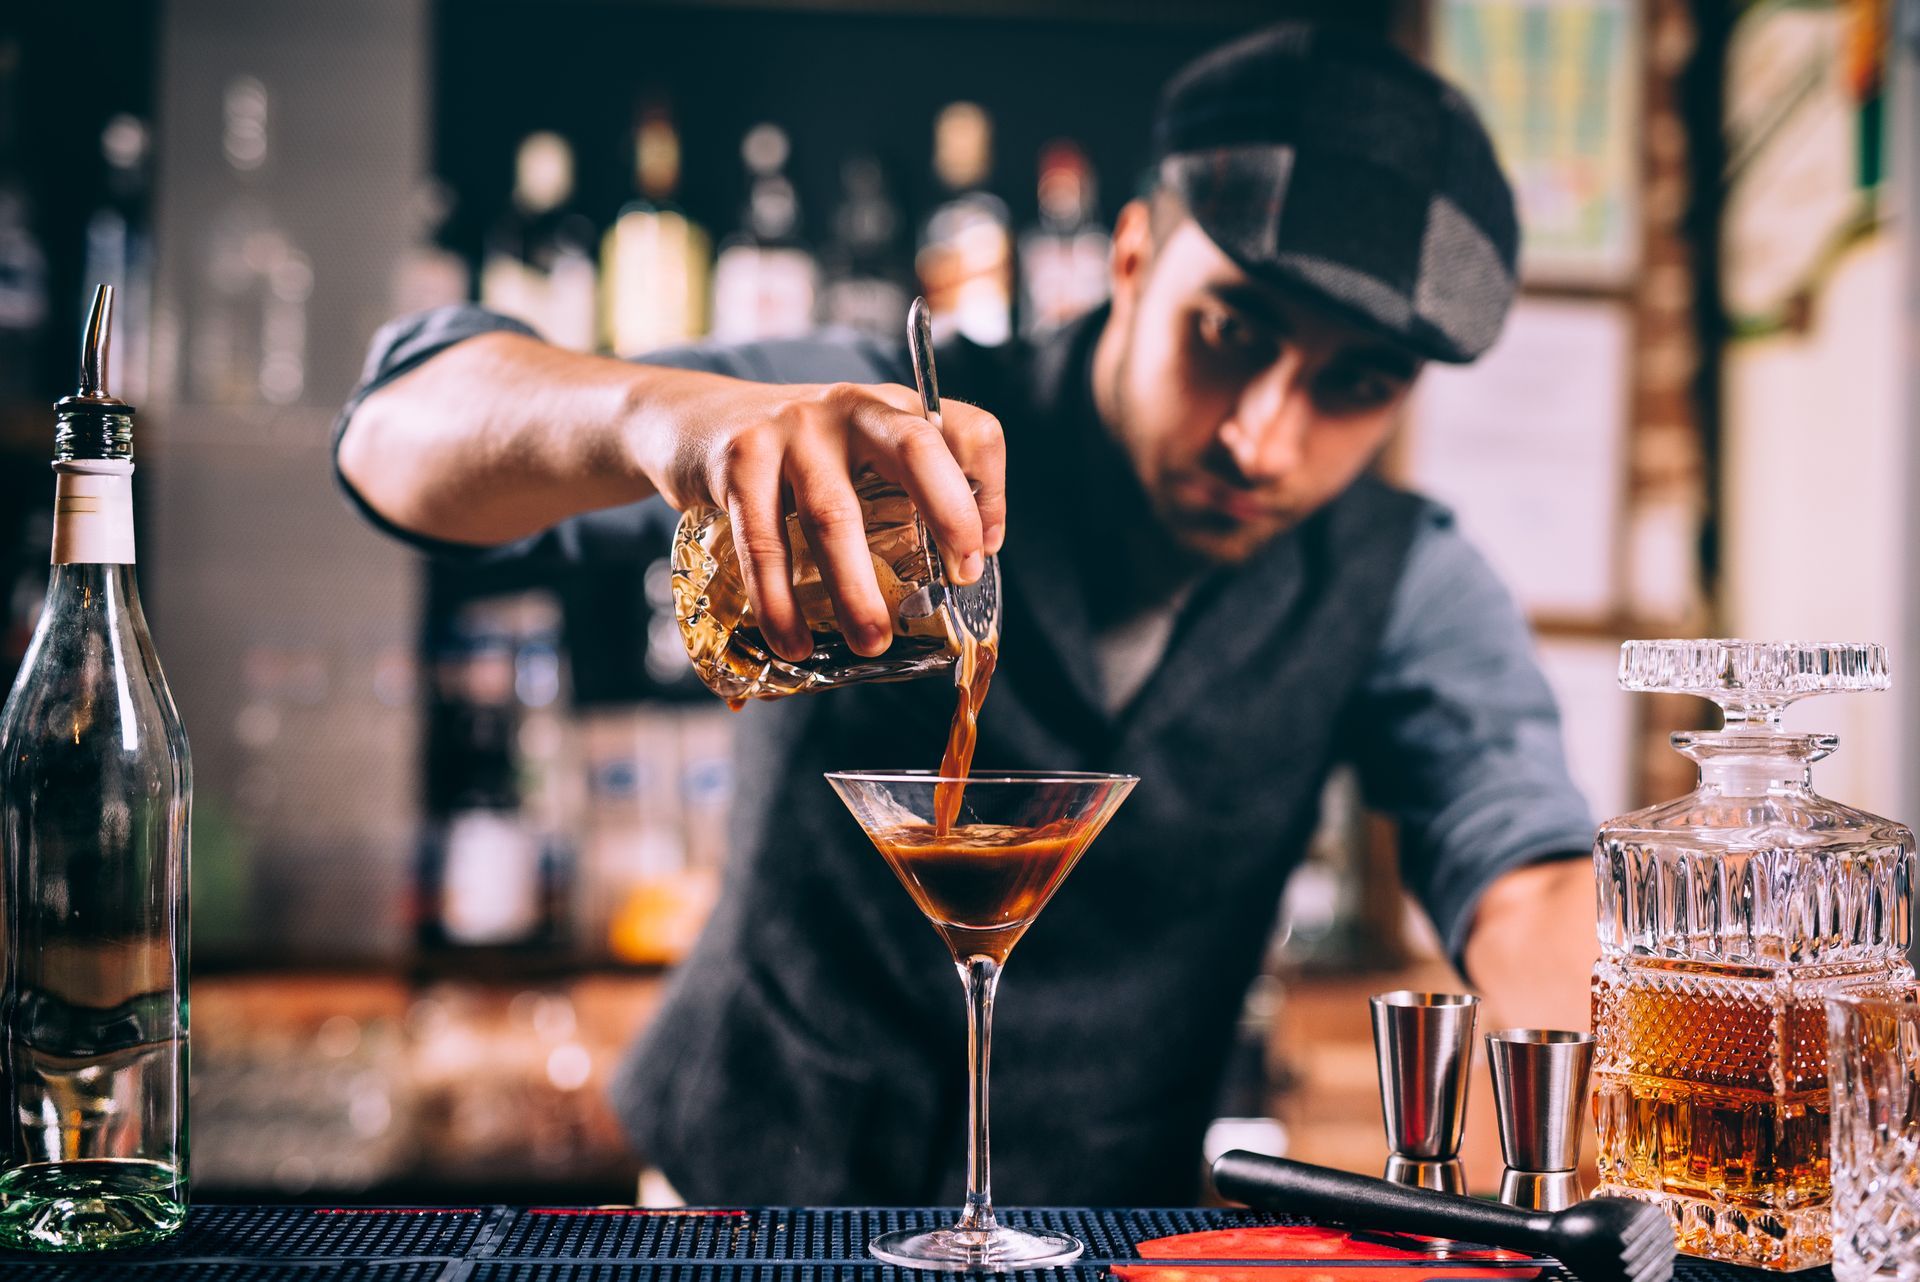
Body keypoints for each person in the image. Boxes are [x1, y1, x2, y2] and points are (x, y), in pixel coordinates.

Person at [335, 24, 1598, 1204]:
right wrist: (662, 418)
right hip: (736, 1192)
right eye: (1226, 332)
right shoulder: (868, 423)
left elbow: (1531, 887)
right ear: (1132, 257)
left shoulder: (1406, 579)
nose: (1262, 437)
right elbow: (393, 432)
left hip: (1099, 1234)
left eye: (1354, 385)